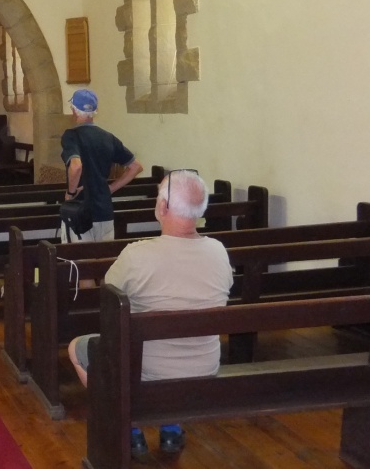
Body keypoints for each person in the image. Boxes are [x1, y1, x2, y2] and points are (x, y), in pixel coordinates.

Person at [67, 169, 234, 460]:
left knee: (77, 347)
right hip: (204, 369)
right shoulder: (219, 251)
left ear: (163, 206)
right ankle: (171, 428)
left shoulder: (137, 254)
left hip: (147, 372)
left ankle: (128, 426)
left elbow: (109, 295)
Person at [61, 88, 143, 241]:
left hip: (79, 211)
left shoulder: (71, 136)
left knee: (77, 256)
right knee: (104, 254)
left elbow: (76, 166)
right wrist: (111, 188)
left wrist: (70, 193)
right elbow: (136, 167)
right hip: (104, 211)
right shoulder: (108, 137)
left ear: (74, 110)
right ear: (94, 111)